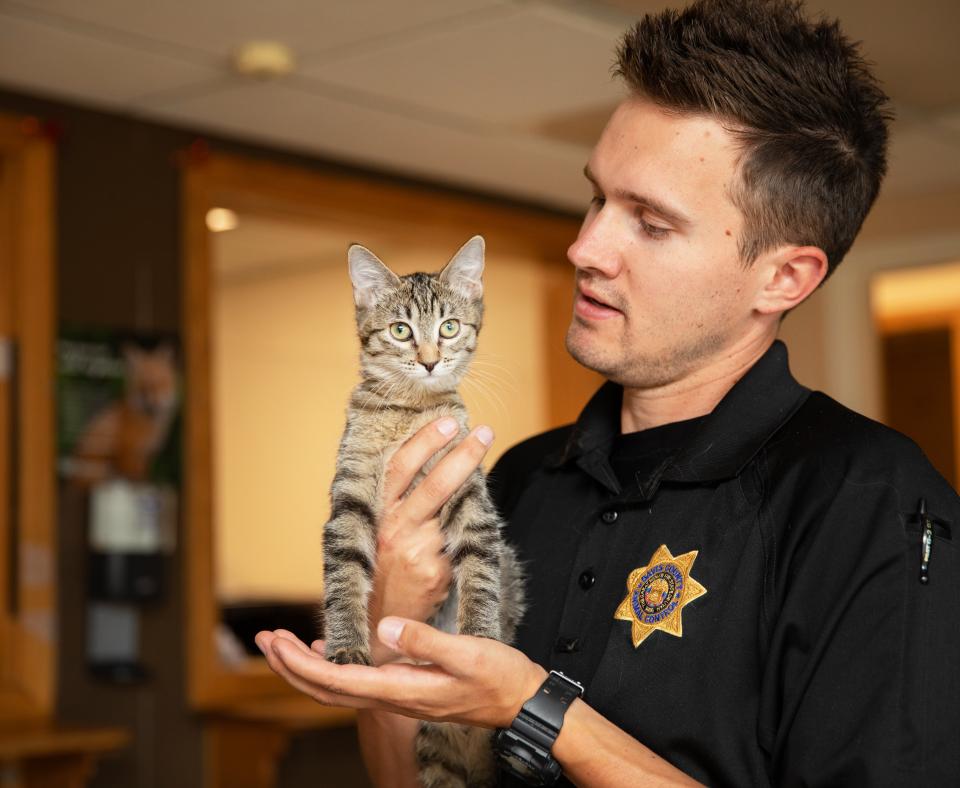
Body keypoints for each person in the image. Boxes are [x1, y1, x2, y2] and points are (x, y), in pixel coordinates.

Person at [255, 0, 960, 785]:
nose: (585, 247)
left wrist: (533, 705)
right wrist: (394, 629)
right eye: (597, 198)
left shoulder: (872, 504)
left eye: (650, 223)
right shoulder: (520, 481)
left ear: (783, 277)